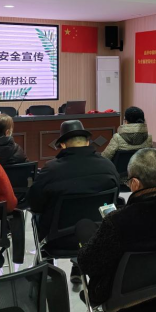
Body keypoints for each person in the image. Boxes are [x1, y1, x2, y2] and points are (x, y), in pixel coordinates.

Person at [77, 148, 156, 305]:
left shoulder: (118, 221)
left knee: (84, 227)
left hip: (119, 295)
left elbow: (88, 264)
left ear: (135, 184)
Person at [26, 120, 120, 281]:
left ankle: (47, 270)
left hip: (59, 240)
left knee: (37, 216)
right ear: (87, 142)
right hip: (97, 235)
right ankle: (78, 265)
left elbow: (34, 203)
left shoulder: (51, 170)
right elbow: (114, 199)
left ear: (62, 145)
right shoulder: (108, 166)